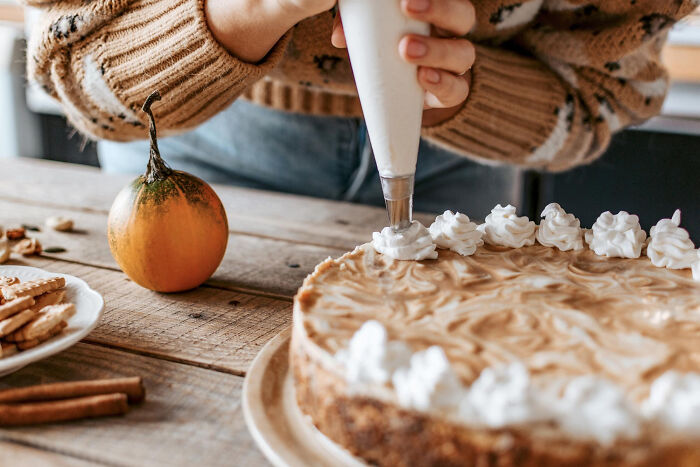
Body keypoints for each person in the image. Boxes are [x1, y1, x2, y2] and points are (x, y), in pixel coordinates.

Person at [24, 0, 697, 216]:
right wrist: (244, 14)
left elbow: (598, 101)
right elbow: (78, 79)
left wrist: (468, 96)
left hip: (461, 167)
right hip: (195, 149)